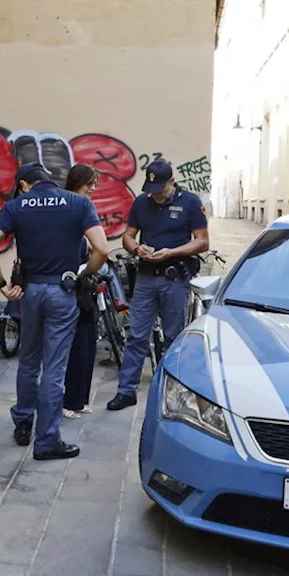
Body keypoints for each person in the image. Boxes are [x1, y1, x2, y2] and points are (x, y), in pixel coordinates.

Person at [0, 163, 109, 460]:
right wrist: (82, 273)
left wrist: (1, 283)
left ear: (26, 184)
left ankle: (23, 421)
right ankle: (47, 440)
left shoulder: (18, 206)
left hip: (29, 292)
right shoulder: (78, 203)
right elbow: (100, 249)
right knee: (54, 367)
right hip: (63, 291)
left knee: (28, 360)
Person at [106, 158, 209, 411]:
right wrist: (137, 248)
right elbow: (128, 236)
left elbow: (202, 241)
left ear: (172, 182)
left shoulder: (190, 203)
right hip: (146, 278)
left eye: (160, 190)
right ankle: (126, 390)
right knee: (136, 335)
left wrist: (172, 252)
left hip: (175, 279)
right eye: (151, 191)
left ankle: (169, 392)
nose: (155, 196)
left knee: (173, 338)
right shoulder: (142, 202)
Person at [61, 164, 101, 419]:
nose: (94, 189)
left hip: (83, 288)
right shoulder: (71, 208)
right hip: (70, 287)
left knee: (87, 344)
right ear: (77, 182)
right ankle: (70, 401)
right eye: (90, 184)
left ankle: (80, 399)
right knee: (75, 347)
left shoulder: (82, 207)